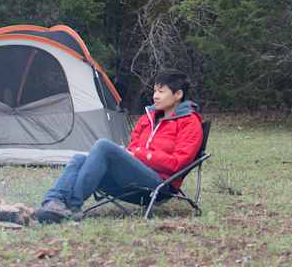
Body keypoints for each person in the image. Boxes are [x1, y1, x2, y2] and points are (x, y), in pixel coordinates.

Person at [34, 70, 204, 223]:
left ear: (178, 94)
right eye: (155, 91)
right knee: (79, 159)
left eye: (161, 91)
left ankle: (72, 206)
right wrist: (134, 154)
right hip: (135, 178)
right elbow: (133, 148)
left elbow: (177, 163)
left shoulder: (189, 123)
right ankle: (53, 203)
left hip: (159, 185)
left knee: (103, 146)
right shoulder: (148, 118)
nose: (155, 96)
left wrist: (140, 154)